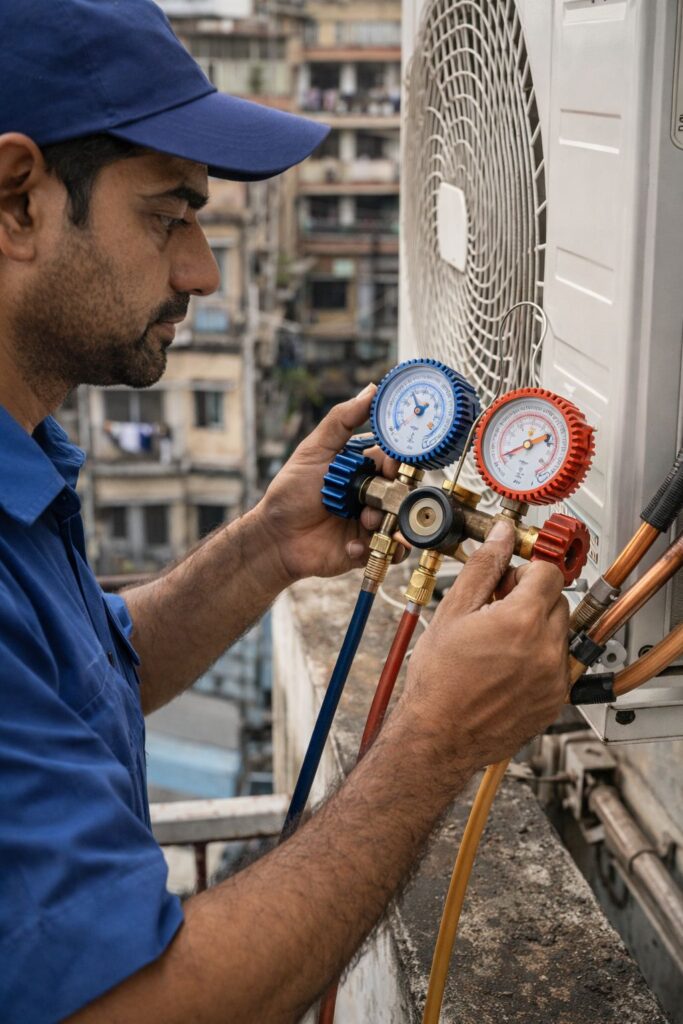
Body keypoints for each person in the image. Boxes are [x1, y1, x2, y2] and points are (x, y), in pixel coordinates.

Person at [0, 2, 569, 1021]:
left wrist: (265, 543)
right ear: (15, 200)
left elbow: (93, 672)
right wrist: (432, 738)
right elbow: (133, 1007)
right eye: (168, 213)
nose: (200, 271)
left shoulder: (24, 458)